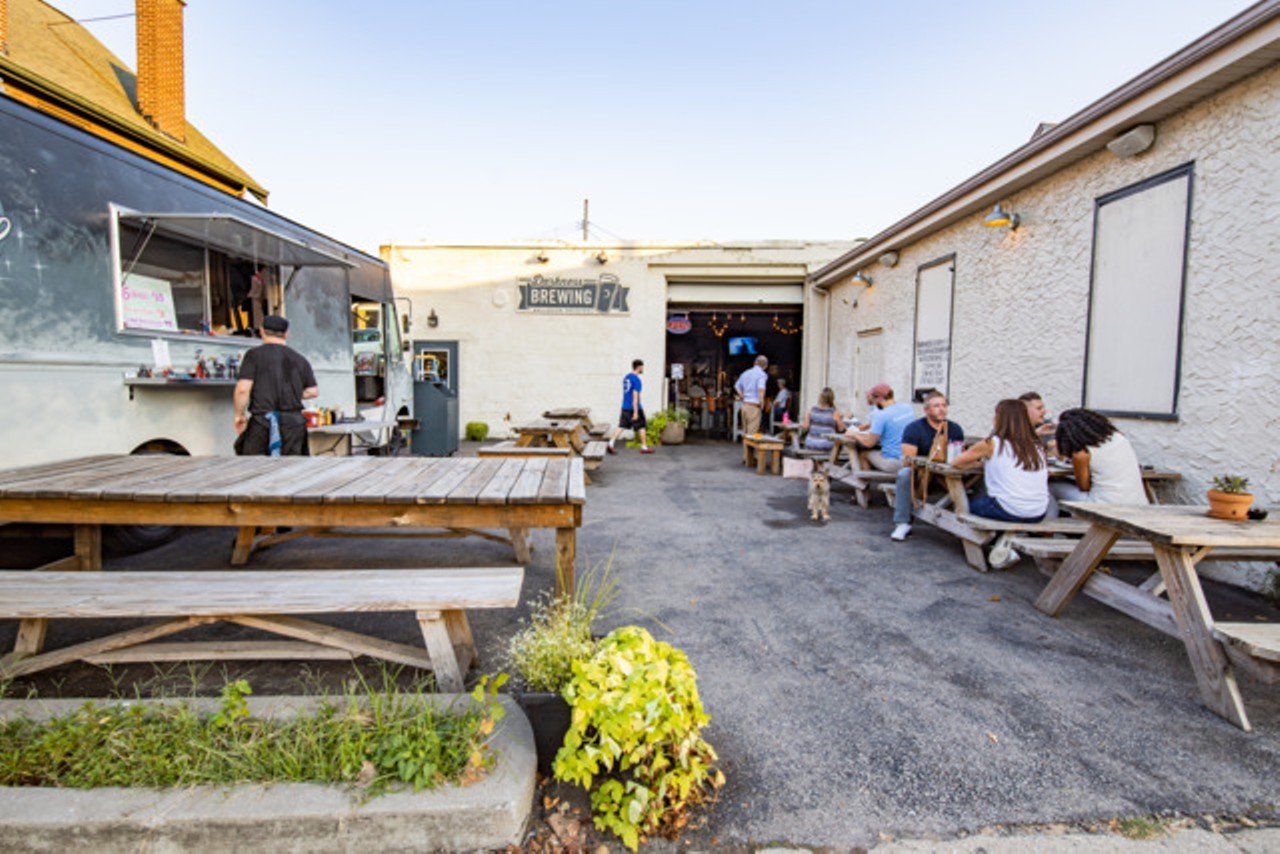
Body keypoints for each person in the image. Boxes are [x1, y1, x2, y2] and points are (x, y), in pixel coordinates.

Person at [951, 399, 1050, 523]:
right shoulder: (1037, 445)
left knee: (968, 507)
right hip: (1038, 512)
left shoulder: (992, 443)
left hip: (1007, 509)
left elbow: (957, 462)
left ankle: (983, 540)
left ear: (1000, 418)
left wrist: (982, 464)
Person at [233, 314, 319, 456]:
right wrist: (292, 393)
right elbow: (313, 391)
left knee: (256, 470)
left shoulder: (253, 355)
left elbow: (242, 390)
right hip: (293, 424)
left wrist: (239, 415)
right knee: (293, 470)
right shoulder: (299, 359)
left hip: (262, 424)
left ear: (261, 331)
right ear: (286, 334)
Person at [889, 390, 964, 541]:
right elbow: (908, 461)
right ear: (926, 410)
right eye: (936, 406)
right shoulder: (914, 428)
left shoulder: (954, 429)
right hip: (921, 477)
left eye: (944, 405)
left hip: (946, 475)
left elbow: (959, 454)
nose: (942, 409)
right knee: (904, 474)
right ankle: (902, 523)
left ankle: (964, 522)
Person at [1051, 408, 1148, 505]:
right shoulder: (1118, 437)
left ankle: (1049, 520)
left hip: (1104, 506)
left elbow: (1084, 487)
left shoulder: (1082, 454)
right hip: (1137, 503)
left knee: (1051, 486)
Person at [849, 383, 915, 472]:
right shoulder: (907, 408)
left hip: (894, 462)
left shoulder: (881, 415)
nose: (874, 404)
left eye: (874, 399)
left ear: (879, 398)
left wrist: (853, 434)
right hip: (910, 459)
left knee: (863, 454)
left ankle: (863, 484)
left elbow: (869, 443)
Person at [608, 359, 654, 455]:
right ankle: (644, 447)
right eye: (642, 367)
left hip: (625, 406)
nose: (643, 369)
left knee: (622, 426)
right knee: (641, 426)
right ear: (639, 367)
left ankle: (611, 443)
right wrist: (636, 411)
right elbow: (635, 395)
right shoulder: (636, 379)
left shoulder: (626, 377)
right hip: (634, 407)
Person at [801, 388, 846, 453]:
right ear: (832, 399)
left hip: (811, 443)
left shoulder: (811, 410)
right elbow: (842, 429)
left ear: (820, 398)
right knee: (839, 444)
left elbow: (805, 426)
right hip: (827, 444)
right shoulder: (834, 413)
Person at [734, 354, 769, 437]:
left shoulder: (745, 373)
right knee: (752, 435)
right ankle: (750, 450)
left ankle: (746, 450)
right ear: (765, 366)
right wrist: (762, 403)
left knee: (745, 433)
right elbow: (761, 389)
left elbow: (736, 385)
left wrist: (742, 396)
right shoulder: (762, 375)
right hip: (754, 406)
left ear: (754, 363)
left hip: (745, 405)